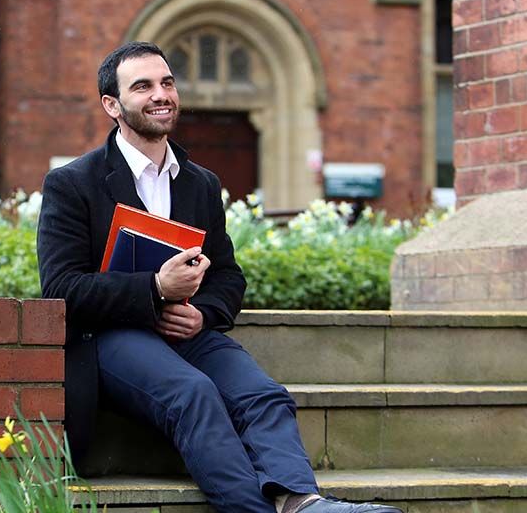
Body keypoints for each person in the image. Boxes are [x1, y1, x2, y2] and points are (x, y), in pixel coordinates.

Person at [36, 42, 401, 513]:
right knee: (194, 394)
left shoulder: (200, 182)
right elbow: (60, 289)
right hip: (109, 337)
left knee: (264, 396)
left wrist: (203, 313)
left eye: (166, 82)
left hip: (187, 334)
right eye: (142, 86)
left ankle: (300, 503)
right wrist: (154, 288)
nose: (160, 94)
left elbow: (228, 276)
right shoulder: (73, 183)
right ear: (113, 105)